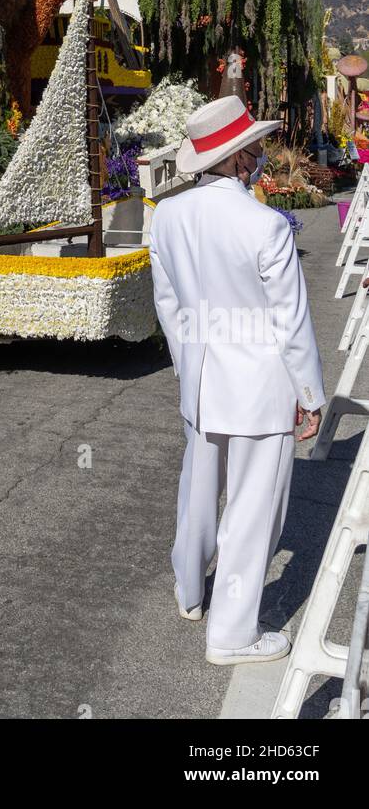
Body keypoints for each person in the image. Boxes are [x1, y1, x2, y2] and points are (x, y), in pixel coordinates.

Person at [148, 95, 326, 667]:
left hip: (201, 378)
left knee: (197, 493)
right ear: (241, 158)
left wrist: (186, 363)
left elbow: (169, 306)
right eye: (255, 145)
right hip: (258, 388)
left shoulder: (168, 216)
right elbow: (290, 321)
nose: (261, 152)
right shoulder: (265, 225)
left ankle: (189, 591)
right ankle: (230, 635)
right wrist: (310, 396)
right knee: (251, 511)